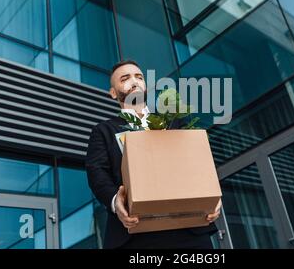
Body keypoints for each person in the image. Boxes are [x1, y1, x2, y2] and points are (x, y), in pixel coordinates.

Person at [85, 59, 222, 249]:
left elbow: (198, 160)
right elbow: (96, 172)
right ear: (113, 92)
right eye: (125, 78)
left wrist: (212, 196)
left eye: (139, 77)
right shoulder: (103, 131)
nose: (134, 81)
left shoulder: (174, 122)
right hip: (135, 234)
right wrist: (116, 202)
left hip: (189, 231)